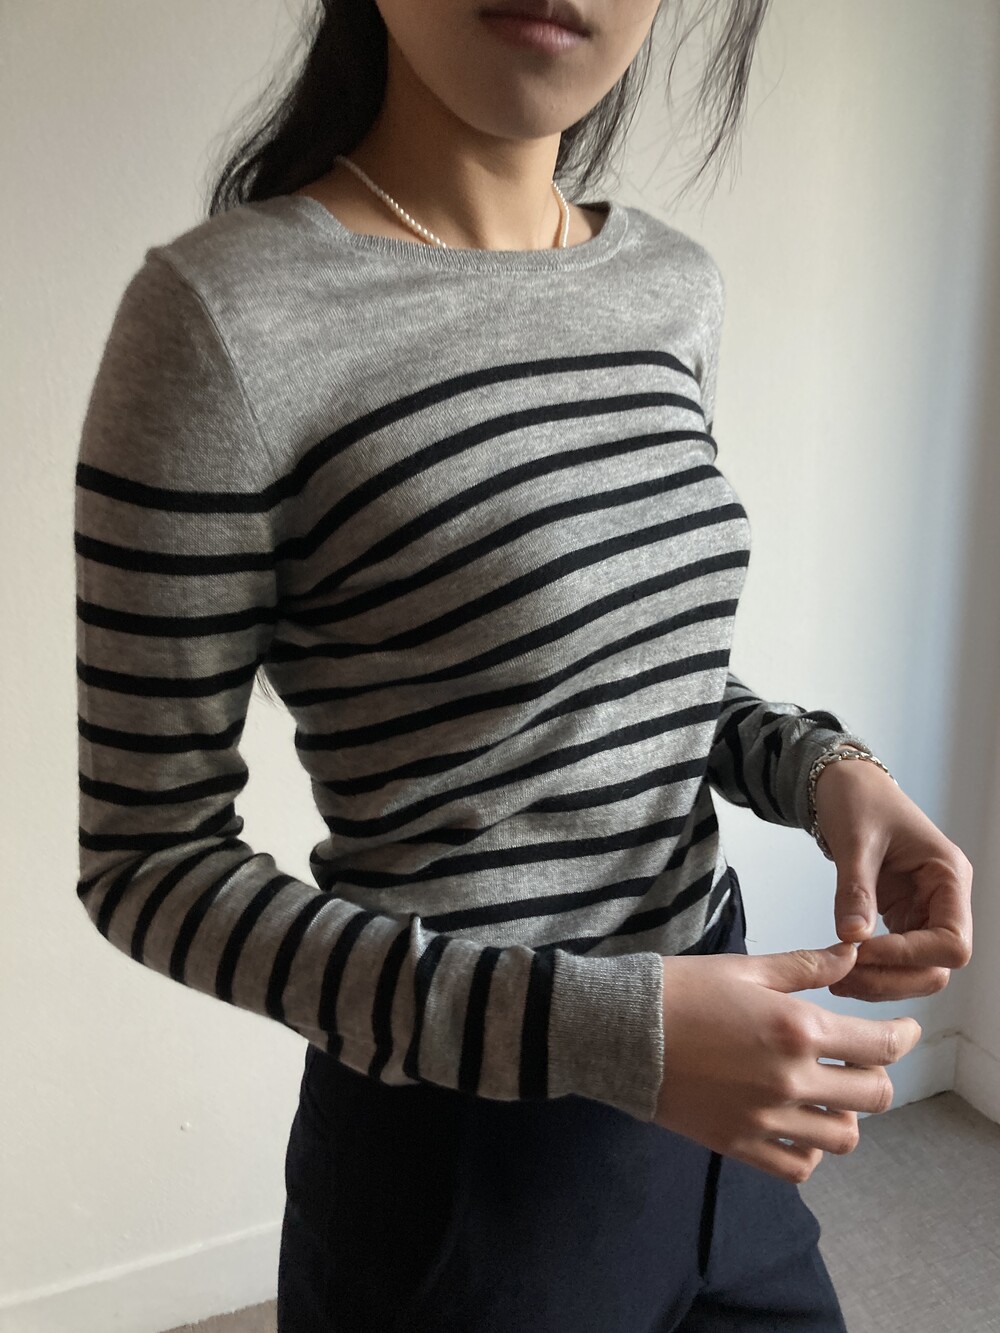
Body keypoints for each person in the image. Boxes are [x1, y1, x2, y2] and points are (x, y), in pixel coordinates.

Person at [73, 1, 974, 1329]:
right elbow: (146, 861)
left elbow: (617, 682)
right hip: (468, 1176)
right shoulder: (223, 319)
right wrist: (613, 1035)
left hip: (727, 1103)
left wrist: (826, 770)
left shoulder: (669, 284)